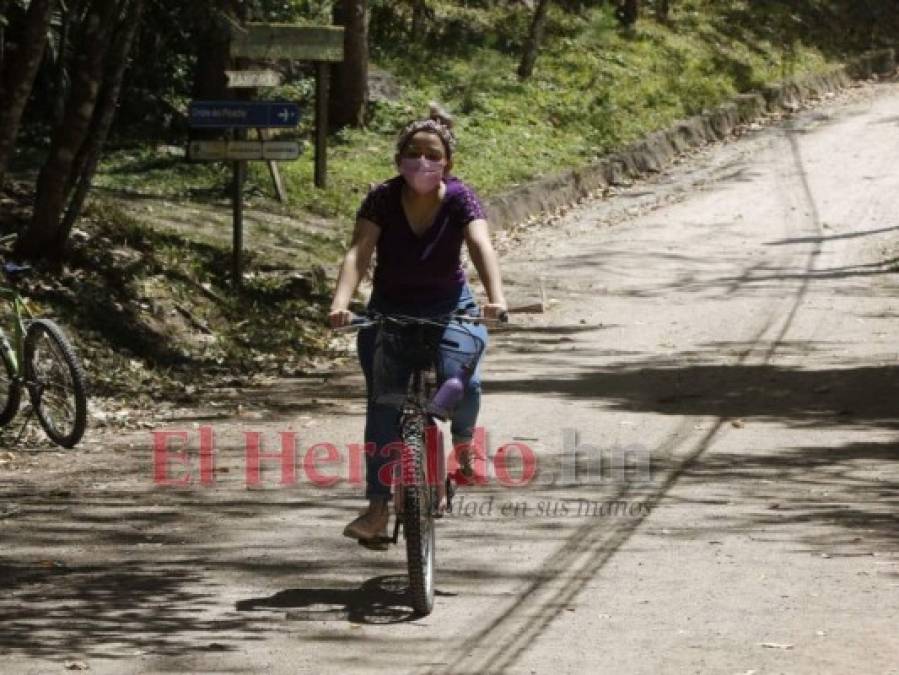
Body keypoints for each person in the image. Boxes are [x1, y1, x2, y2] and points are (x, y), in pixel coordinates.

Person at [328, 104, 507, 544]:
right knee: (383, 406)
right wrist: (340, 303)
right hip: (390, 309)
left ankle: (463, 445)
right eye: (413, 152)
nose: (422, 162)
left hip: (451, 308)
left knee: (463, 381)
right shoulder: (382, 198)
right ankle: (376, 509)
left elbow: (480, 243)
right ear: (398, 159)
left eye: (432, 154)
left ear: (448, 162)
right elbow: (359, 251)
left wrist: (496, 298)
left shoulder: (462, 197)